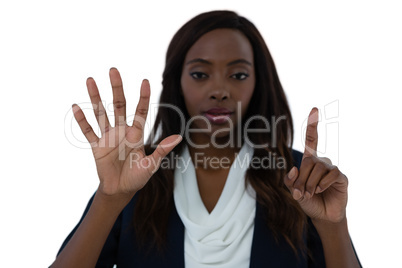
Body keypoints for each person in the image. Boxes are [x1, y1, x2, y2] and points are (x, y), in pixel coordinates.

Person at [50, 10, 361, 267]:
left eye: (238, 75)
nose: (219, 90)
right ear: (177, 82)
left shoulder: (300, 177)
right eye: (200, 74)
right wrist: (109, 200)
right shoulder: (138, 172)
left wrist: (333, 225)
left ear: (259, 84)